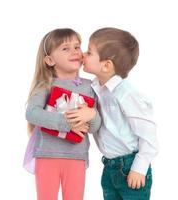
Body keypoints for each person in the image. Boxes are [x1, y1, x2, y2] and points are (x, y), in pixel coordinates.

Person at [66, 27, 159, 200]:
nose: (83, 55)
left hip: (130, 166)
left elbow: (149, 133)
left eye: (89, 52)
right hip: (109, 167)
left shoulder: (126, 94)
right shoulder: (95, 87)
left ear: (106, 65)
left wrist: (139, 167)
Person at [25, 28, 101, 200]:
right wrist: (67, 123)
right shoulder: (45, 85)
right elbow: (32, 113)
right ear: (50, 60)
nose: (75, 51)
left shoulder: (91, 86)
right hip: (47, 154)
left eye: (77, 46)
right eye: (65, 48)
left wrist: (93, 115)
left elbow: (94, 127)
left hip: (77, 156)